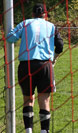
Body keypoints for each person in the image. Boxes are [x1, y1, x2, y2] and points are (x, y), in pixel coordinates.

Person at [6, 3, 63, 133]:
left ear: (32, 13)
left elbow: (10, 38)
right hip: (45, 65)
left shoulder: (25, 23)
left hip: (27, 66)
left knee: (28, 98)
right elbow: (60, 45)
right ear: (45, 14)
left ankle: (28, 130)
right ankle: (44, 131)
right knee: (44, 99)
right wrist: (54, 58)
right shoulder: (51, 26)